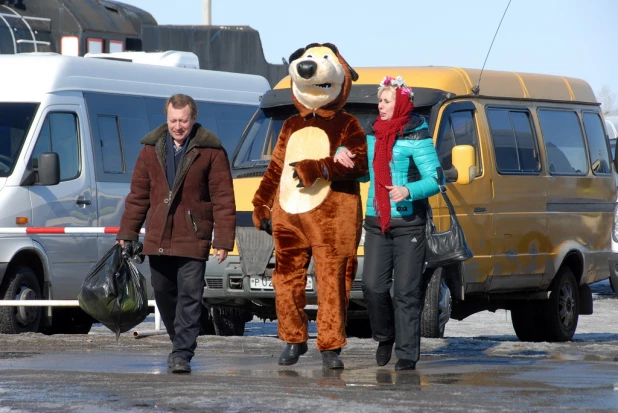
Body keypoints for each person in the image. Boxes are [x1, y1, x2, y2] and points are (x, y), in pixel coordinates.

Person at [117, 93, 236, 374]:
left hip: (193, 235)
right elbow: (138, 195)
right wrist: (128, 231)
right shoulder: (150, 148)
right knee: (163, 293)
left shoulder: (211, 150)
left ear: (193, 119)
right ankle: (178, 341)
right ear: (166, 118)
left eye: (183, 120)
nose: (178, 126)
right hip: (158, 235)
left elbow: (224, 197)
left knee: (190, 296)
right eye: (173, 120)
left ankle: (182, 352)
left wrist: (222, 239)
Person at [334, 76, 440, 371]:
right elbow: (362, 173)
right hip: (376, 221)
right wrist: (340, 152)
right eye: (379, 101)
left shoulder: (417, 136)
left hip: (409, 222)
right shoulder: (371, 136)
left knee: (405, 291)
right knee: (372, 287)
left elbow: (437, 179)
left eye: (387, 101)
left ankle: (406, 354)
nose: (380, 106)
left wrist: (409, 190)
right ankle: (385, 337)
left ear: (401, 103)